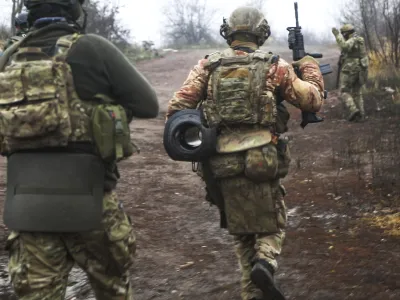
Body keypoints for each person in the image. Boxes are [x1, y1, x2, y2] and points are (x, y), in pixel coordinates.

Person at [0, 0, 158, 299]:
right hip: (93, 201)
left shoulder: (8, 58)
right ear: (74, 10)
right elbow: (148, 105)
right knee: (113, 289)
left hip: (28, 208)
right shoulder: (92, 48)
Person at [166, 6, 324, 300]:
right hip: (262, 159)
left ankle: (254, 283)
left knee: (242, 238)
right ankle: (266, 260)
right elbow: (311, 101)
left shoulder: (207, 66)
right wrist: (311, 68)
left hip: (218, 165)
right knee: (274, 221)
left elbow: (177, 109)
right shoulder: (274, 66)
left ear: (229, 32)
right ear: (261, 33)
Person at [332, 23, 369, 122]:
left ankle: (353, 110)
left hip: (352, 68)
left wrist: (337, 35)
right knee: (357, 92)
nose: (343, 36)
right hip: (361, 68)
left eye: (344, 34)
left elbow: (344, 47)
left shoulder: (353, 40)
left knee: (344, 91)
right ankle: (361, 115)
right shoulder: (359, 39)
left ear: (347, 33)